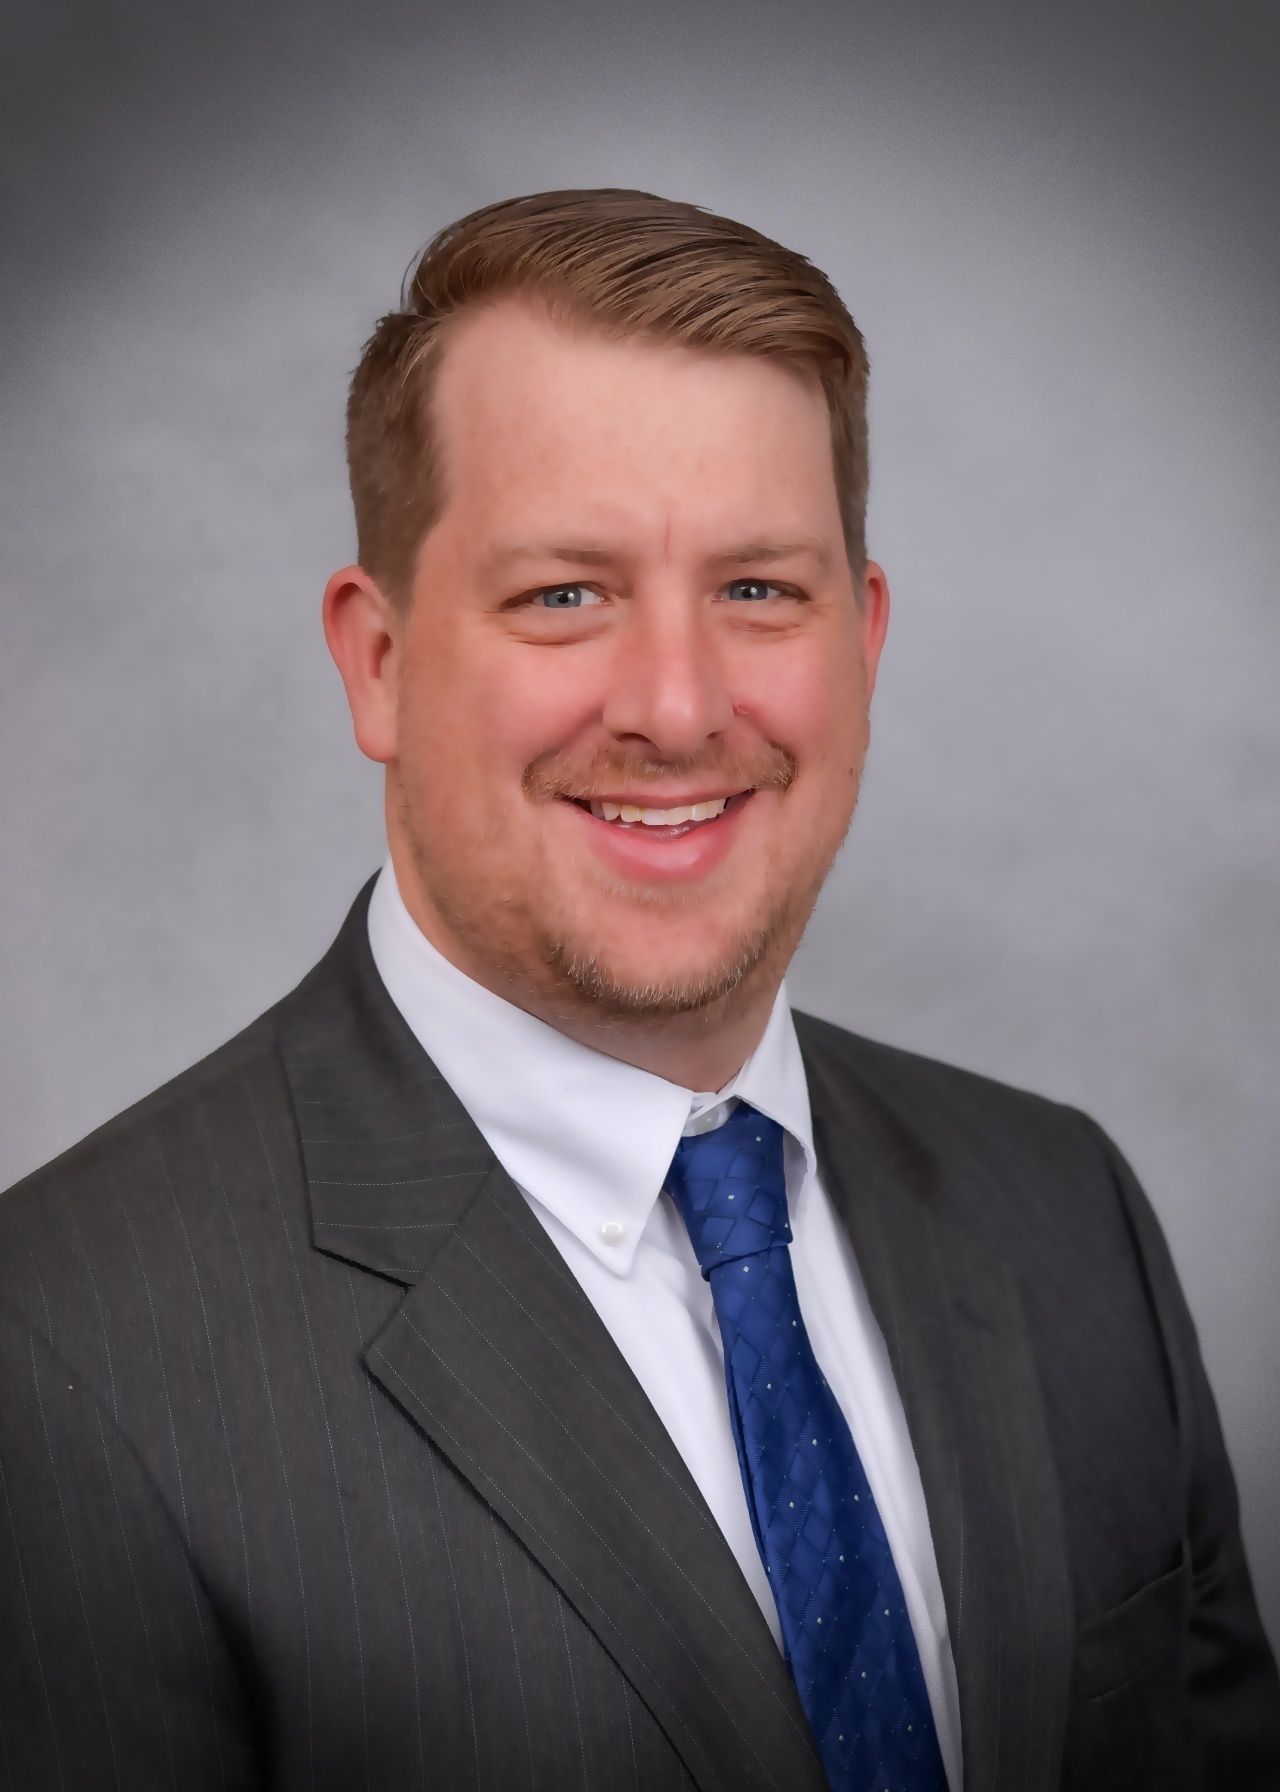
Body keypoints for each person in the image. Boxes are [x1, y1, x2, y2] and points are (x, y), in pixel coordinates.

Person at [0, 188, 1276, 1792]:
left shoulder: (1064, 1210)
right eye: (565, 593)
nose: (676, 708)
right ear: (378, 662)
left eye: (759, 590)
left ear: (864, 642)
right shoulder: (59, 1357)